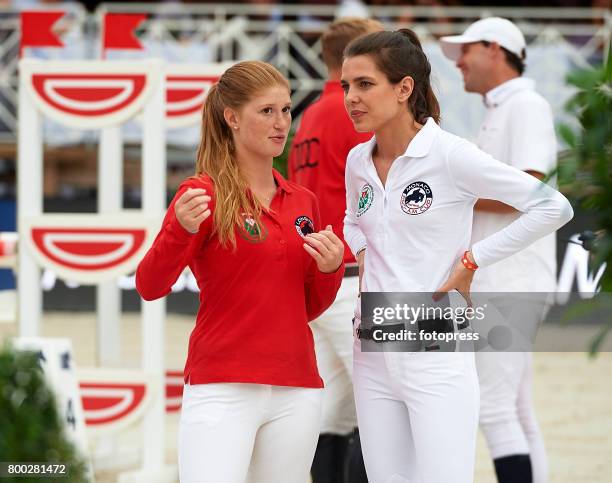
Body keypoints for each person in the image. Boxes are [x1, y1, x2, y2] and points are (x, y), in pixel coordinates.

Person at [340, 29, 573, 483]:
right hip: (372, 344)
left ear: (404, 88)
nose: (351, 97)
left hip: (434, 343)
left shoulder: (449, 155)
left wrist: (472, 260)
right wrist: (362, 251)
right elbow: (352, 218)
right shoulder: (357, 160)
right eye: (345, 86)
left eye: (364, 84)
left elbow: (552, 205)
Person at [135, 60, 345, 483]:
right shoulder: (201, 193)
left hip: (297, 386)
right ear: (231, 117)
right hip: (222, 384)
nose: (281, 123)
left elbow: (310, 306)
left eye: (286, 110)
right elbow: (149, 285)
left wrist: (330, 268)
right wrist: (181, 228)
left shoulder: (302, 200)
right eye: (266, 111)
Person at [440, 17, 557, 483]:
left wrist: (453, 193)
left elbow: (532, 188)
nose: (460, 64)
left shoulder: (524, 105)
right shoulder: (503, 107)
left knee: (493, 407)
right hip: (507, 274)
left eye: (465, 52)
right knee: (514, 407)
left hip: (512, 276)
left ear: (494, 49)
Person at [288, 17, 383, 483]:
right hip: (348, 273)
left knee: (335, 412)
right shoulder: (354, 113)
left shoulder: (307, 116)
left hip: (319, 275)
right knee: (380, 402)